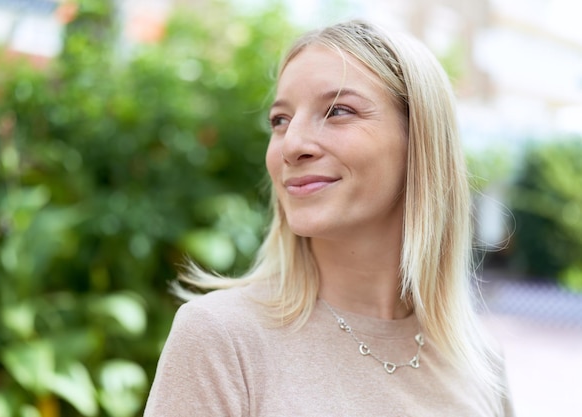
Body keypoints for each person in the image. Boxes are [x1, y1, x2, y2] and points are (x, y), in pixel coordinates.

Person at [144, 19, 514, 416]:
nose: (292, 145)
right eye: (280, 120)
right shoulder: (221, 338)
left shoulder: (480, 363)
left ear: (420, 140)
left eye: (338, 111)